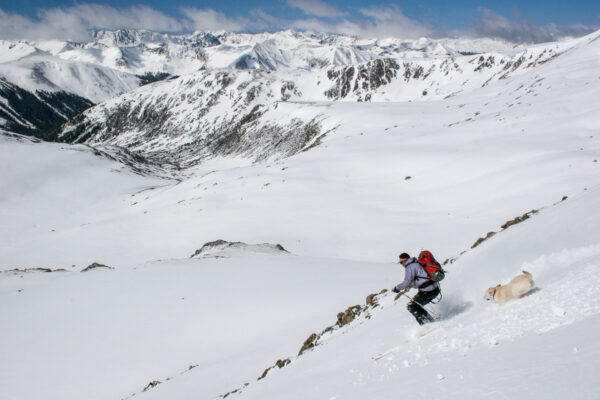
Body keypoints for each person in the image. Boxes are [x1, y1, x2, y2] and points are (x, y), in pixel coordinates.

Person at [392, 252, 440, 325]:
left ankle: (427, 324)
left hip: (427, 291)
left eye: (401, 262)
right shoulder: (416, 262)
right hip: (434, 288)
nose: (402, 265)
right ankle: (429, 321)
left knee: (411, 306)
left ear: (405, 260)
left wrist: (397, 288)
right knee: (415, 305)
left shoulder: (410, 267)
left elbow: (407, 282)